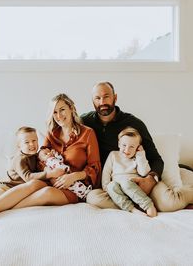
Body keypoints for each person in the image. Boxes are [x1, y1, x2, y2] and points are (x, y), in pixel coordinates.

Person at [0, 93, 101, 230]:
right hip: (51, 179)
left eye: (62, 109)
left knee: (47, 193)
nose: (58, 115)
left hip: (74, 187)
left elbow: (95, 167)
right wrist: (45, 158)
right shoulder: (53, 133)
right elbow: (41, 154)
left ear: (71, 108)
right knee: (32, 184)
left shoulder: (87, 133)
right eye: (54, 112)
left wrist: (73, 176)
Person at [81, 81, 193, 212]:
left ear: (115, 98)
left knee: (169, 203)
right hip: (116, 187)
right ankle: (137, 204)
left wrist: (150, 179)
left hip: (140, 180)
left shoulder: (134, 124)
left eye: (106, 96)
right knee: (92, 198)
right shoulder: (85, 122)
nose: (102, 102)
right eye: (97, 98)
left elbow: (155, 158)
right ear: (92, 101)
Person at [102, 127, 157, 217]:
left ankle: (148, 206)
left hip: (132, 187)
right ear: (119, 144)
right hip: (117, 188)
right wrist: (106, 187)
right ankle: (132, 209)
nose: (127, 150)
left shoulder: (137, 157)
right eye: (124, 145)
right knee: (111, 186)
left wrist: (140, 154)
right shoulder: (113, 155)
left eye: (132, 147)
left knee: (126, 183)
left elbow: (144, 172)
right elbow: (106, 172)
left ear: (137, 147)